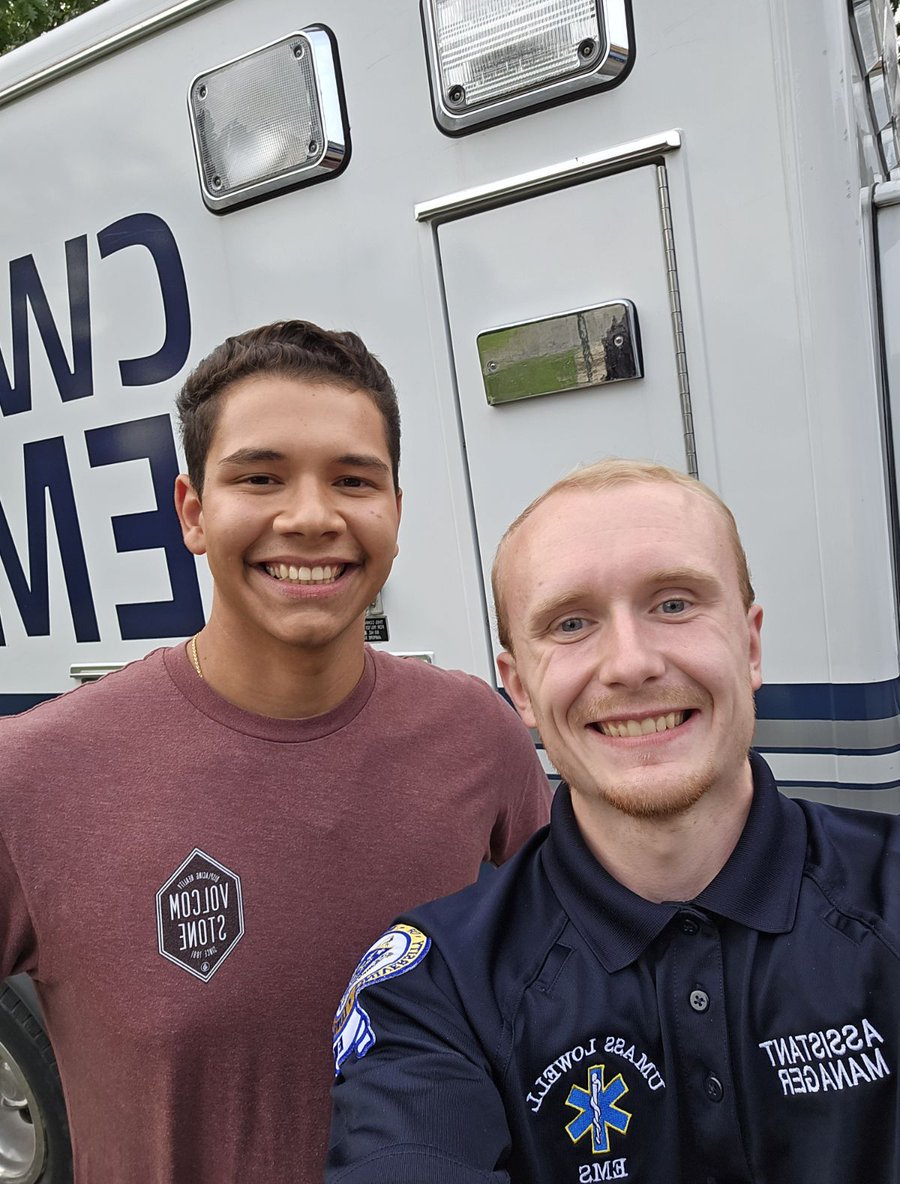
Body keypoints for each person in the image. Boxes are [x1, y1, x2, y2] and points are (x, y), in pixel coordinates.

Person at [0, 320, 550, 1184]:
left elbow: (564, 999)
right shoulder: (31, 777)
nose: (311, 517)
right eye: (260, 477)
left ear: (395, 511)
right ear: (193, 513)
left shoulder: (480, 737)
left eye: (353, 480)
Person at [327, 458, 900, 1184]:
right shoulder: (437, 988)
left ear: (751, 646)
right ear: (521, 689)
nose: (630, 664)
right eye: (571, 624)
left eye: (674, 604)